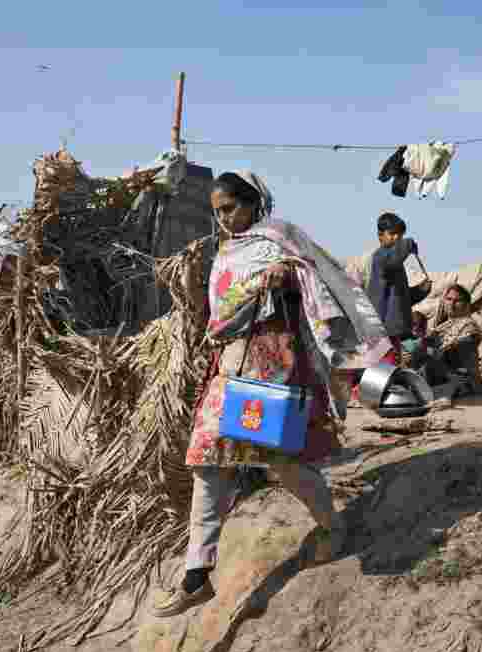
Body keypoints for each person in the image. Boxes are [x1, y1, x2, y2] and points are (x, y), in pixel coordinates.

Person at [152, 172, 392, 618]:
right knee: (206, 460)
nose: (223, 219)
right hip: (229, 361)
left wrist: (287, 279)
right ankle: (196, 573)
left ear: (252, 202)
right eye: (217, 211)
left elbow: (322, 278)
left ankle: (333, 527)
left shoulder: (282, 237)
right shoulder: (225, 251)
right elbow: (220, 312)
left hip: (271, 358)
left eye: (230, 208)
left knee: (280, 460)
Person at [366, 212, 432, 365]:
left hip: (393, 331)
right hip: (382, 329)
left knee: (392, 367)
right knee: (384, 369)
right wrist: (408, 244)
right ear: (380, 235)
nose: (397, 238)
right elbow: (393, 259)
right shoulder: (381, 257)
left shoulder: (396, 265)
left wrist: (421, 290)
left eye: (400, 235)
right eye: (393, 234)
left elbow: (402, 298)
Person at [418, 283, 482, 395]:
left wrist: (427, 350)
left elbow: (460, 349)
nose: (452, 304)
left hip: (459, 378)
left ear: (466, 305)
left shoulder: (468, 325)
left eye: (457, 301)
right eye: (449, 299)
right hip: (441, 373)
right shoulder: (443, 326)